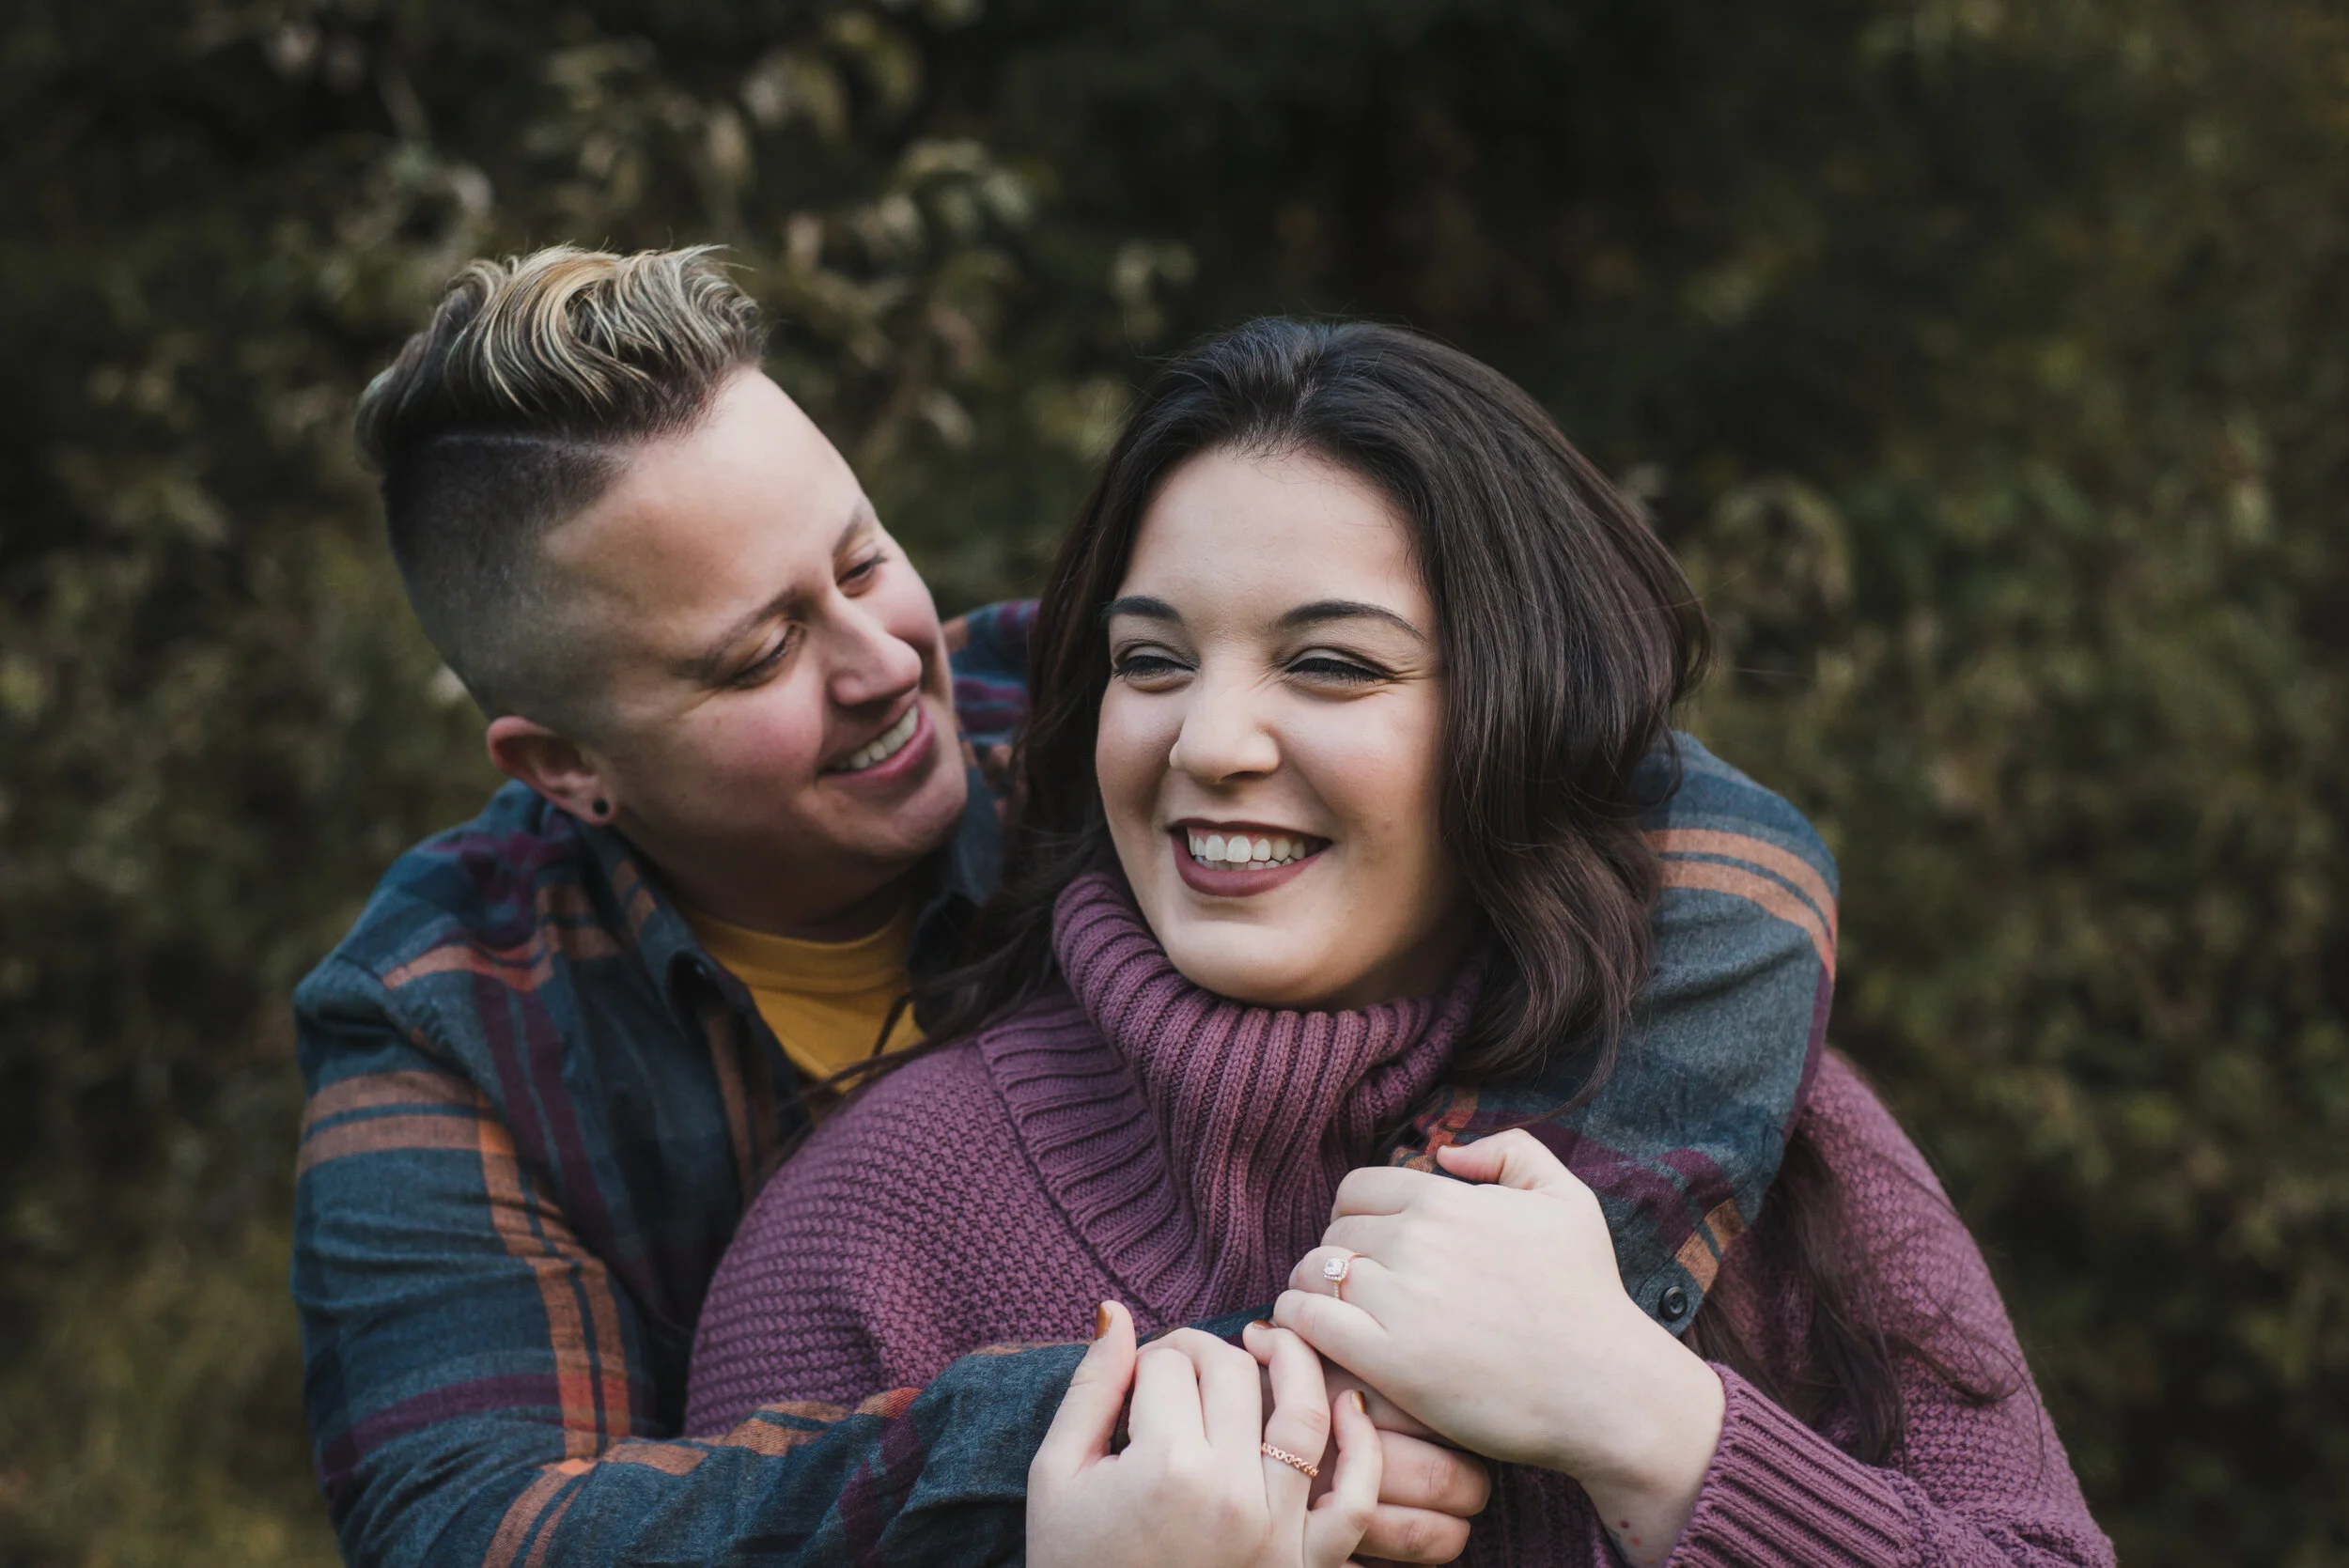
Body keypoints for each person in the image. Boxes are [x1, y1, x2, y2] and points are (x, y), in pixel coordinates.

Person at [292, 248, 1832, 1567]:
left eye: (862, 560)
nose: (886, 661)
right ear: (566, 768)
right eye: (761, 654)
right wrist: (1082, 1440)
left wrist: (1484, 1307)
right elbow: (473, 1530)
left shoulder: (1106, 707)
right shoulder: (442, 1022)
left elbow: (1721, 853)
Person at [684, 319, 2116, 1568]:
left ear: (1517, 718)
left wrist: (1645, 1418)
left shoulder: (1763, 1141)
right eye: (1152, 659)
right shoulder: (863, 1240)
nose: (1212, 742)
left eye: (1332, 664)